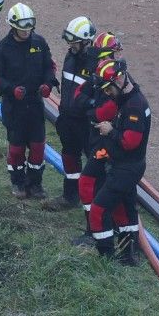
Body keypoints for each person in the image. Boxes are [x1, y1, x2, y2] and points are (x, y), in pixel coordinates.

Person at [0, 3, 58, 199]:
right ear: (13, 26)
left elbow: (50, 66)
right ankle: (18, 183)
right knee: (16, 148)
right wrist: (11, 90)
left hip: (35, 104)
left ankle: (35, 184)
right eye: (23, 28)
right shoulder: (2, 49)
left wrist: (48, 84)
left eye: (29, 27)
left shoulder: (39, 43)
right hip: (14, 107)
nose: (27, 31)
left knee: (38, 147)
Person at [87, 58, 151, 265]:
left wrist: (110, 131)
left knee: (98, 210)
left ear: (120, 80)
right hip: (126, 165)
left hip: (126, 168)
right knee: (124, 210)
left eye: (108, 88)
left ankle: (105, 257)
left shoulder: (134, 107)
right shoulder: (128, 99)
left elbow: (130, 142)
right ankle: (128, 256)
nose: (107, 93)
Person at [73, 31, 122, 246]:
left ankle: (97, 232)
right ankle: (99, 229)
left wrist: (90, 109)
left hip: (107, 144)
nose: (99, 61)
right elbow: (78, 95)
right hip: (96, 138)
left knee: (88, 182)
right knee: (96, 184)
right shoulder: (98, 75)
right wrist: (91, 107)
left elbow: (103, 112)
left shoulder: (116, 82)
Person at [45, 15, 98, 210]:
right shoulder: (71, 57)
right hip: (68, 120)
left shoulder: (97, 65)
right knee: (69, 157)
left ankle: (96, 203)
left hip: (86, 124)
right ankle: (70, 196)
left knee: (95, 163)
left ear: (86, 42)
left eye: (74, 42)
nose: (70, 45)